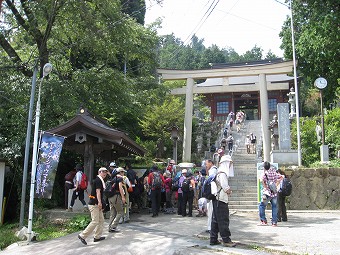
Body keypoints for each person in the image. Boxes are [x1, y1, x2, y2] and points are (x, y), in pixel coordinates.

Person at [210, 156, 236, 247]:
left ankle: (213, 239)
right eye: (229, 164)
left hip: (216, 199)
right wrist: (230, 191)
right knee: (223, 220)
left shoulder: (218, 172)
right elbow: (225, 187)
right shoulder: (223, 174)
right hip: (221, 200)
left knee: (215, 220)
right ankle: (226, 240)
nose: (230, 166)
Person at [78, 167, 108, 245]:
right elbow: (98, 192)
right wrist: (100, 202)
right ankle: (82, 235)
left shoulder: (101, 180)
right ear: (99, 172)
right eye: (103, 172)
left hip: (96, 203)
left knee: (101, 220)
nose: (104, 173)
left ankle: (97, 237)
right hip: (94, 204)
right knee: (95, 221)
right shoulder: (98, 180)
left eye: (105, 172)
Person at [258, 161, 283, 226]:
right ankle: (274, 222)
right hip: (274, 193)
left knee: (262, 206)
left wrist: (265, 187)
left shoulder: (265, 174)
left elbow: (262, 180)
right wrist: (276, 184)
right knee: (274, 207)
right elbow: (281, 177)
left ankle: (263, 220)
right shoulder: (274, 172)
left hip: (267, 193)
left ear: (264, 167)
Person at [108, 167, 126, 232]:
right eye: (123, 172)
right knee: (120, 212)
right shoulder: (120, 178)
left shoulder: (113, 178)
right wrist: (123, 197)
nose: (123, 173)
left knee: (112, 213)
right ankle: (113, 226)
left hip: (110, 197)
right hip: (116, 196)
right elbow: (120, 188)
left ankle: (110, 227)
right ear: (120, 172)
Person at [205, 159, 218, 233]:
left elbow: (211, 182)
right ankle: (211, 227)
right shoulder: (213, 170)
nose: (206, 165)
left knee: (211, 211)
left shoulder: (213, 171)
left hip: (212, 194)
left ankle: (211, 227)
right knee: (211, 211)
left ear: (210, 163)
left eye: (207, 164)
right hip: (213, 194)